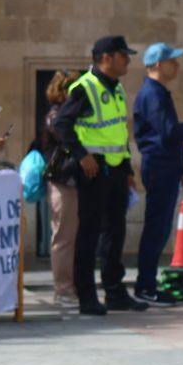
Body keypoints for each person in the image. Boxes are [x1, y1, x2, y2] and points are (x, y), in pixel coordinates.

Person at [53, 35, 144, 316]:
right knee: (89, 233)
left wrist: (127, 168)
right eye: (123, 55)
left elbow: (118, 131)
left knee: (115, 231)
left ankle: (115, 291)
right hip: (93, 168)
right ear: (107, 58)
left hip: (115, 167)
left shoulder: (116, 88)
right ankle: (86, 295)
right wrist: (81, 155)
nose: (128, 60)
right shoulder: (85, 87)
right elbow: (61, 124)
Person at [131, 43, 183, 305]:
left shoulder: (158, 93)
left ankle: (148, 284)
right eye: (171, 61)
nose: (176, 65)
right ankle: (145, 286)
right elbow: (169, 133)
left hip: (165, 166)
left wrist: (180, 171)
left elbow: (166, 139)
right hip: (158, 167)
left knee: (160, 229)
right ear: (157, 65)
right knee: (156, 229)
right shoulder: (153, 94)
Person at [41, 71, 80, 306]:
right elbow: (67, 139)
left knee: (74, 235)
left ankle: (73, 285)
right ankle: (63, 289)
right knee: (64, 235)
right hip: (62, 180)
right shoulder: (56, 116)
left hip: (75, 180)